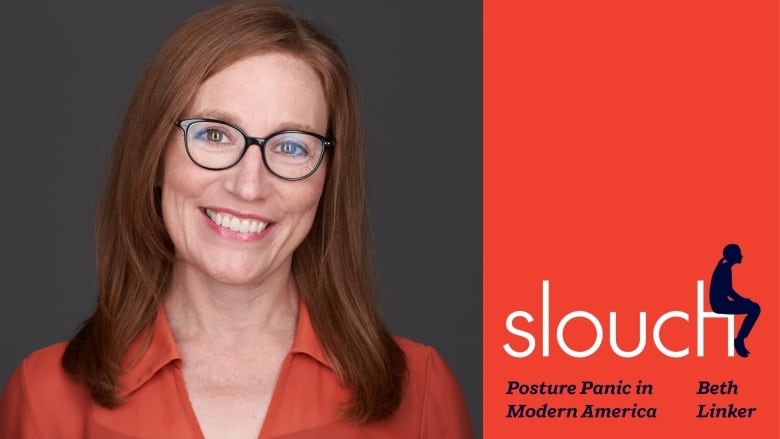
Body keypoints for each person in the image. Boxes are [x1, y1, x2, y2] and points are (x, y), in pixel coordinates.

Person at [0, 1, 473, 437]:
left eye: (291, 146)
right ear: (155, 154)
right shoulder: (45, 398)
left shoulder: (420, 392)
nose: (249, 185)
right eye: (214, 134)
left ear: (328, 178)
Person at [709, 243, 761, 358]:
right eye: (739, 253)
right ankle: (739, 339)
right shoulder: (724, 269)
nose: (742, 256)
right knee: (755, 308)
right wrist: (744, 301)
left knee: (753, 307)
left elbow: (728, 291)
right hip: (720, 305)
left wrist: (743, 301)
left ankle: (740, 339)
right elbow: (729, 291)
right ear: (733, 256)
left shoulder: (724, 266)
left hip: (722, 302)